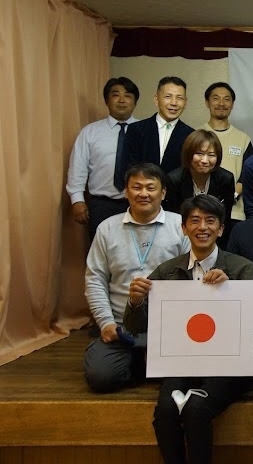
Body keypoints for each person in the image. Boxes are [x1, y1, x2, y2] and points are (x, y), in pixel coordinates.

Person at [124, 195, 253, 464]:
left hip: (228, 367)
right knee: (165, 412)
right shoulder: (167, 271)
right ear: (184, 228)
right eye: (195, 221)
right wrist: (135, 301)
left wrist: (232, 290)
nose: (202, 227)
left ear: (221, 228)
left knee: (196, 409)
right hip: (182, 363)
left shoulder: (242, 268)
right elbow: (135, 326)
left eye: (210, 221)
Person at [83, 163, 188, 392]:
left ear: (163, 193)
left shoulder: (181, 227)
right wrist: (105, 322)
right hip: (121, 327)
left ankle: (142, 361)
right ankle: (140, 360)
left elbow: (193, 277)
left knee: (186, 375)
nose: (143, 193)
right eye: (136, 187)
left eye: (150, 187)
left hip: (167, 326)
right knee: (101, 377)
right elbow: (95, 279)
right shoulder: (107, 229)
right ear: (126, 191)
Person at [67, 77, 140, 241]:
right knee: (100, 250)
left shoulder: (145, 131)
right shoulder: (90, 132)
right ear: (107, 101)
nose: (122, 100)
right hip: (101, 205)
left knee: (136, 250)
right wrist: (77, 200)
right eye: (116, 95)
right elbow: (78, 168)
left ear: (135, 102)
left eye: (128, 95)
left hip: (138, 203)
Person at [163, 131, 235, 246]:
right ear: (188, 154)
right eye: (199, 153)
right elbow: (174, 219)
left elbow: (224, 218)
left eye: (211, 155)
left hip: (215, 240)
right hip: (181, 238)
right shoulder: (174, 180)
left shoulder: (226, 179)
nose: (205, 160)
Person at [201, 81, 253, 225]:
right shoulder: (196, 135)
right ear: (207, 102)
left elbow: (248, 175)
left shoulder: (243, 139)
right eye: (215, 98)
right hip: (200, 211)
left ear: (232, 104)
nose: (221, 103)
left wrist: (231, 195)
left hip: (234, 213)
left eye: (226, 99)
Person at [122, 76, 194, 180]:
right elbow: (127, 168)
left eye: (179, 98)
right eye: (168, 97)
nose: (174, 103)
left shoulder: (191, 135)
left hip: (175, 190)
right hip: (142, 188)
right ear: (156, 100)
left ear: (185, 103)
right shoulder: (136, 129)